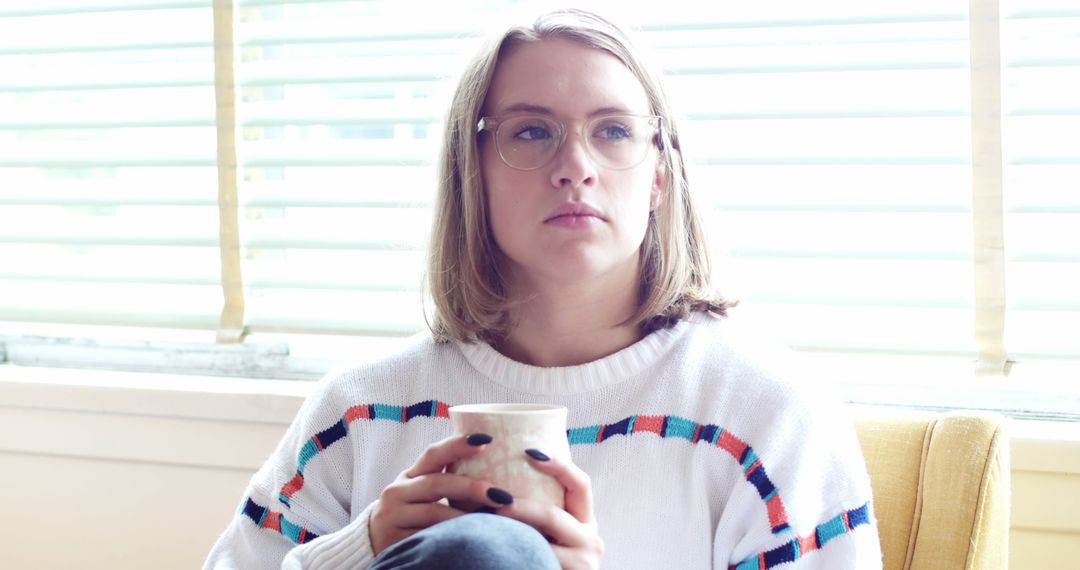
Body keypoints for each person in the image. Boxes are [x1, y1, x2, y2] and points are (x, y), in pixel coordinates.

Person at [206, 8, 881, 569]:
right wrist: (367, 546)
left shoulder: (766, 413)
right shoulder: (362, 410)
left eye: (613, 131)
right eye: (532, 132)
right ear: (471, 169)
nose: (575, 167)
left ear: (658, 174)